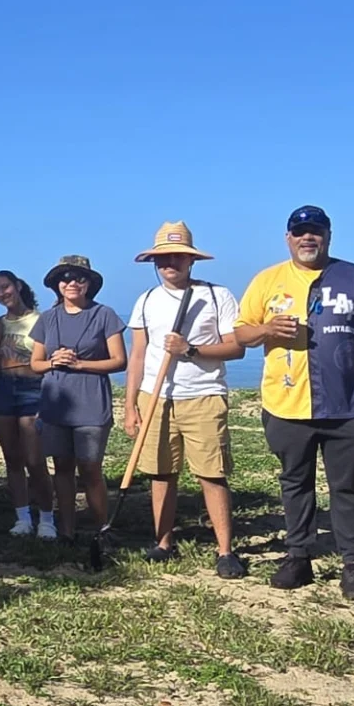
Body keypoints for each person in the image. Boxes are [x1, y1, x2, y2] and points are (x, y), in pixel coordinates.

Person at [233, 205, 354, 601]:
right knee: (295, 483)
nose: (307, 238)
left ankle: (353, 565)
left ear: (328, 235)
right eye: (300, 232)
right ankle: (298, 557)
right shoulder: (268, 280)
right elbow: (241, 334)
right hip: (286, 404)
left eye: (315, 231)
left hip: (345, 405)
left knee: (345, 486)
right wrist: (266, 329)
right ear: (288, 238)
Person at [123, 222, 247, 576]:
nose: (169, 263)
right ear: (153, 262)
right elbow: (137, 357)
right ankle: (163, 542)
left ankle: (225, 551)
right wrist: (130, 404)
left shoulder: (217, 295)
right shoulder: (146, 300)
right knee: (161, 474)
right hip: (155, 397)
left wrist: (190, 350)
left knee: (212, 473)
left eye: (177, 256)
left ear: (191, 260)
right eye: (162, 257)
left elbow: (235, 348)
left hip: (203, 396)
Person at [28, 255, 126, 557]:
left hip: (92, 404)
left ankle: (102, 529)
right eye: (65, 277)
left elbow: (119, 360)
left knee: (91, 469)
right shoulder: (47, 318)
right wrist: (52, 362)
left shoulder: (104, 315)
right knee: (62, 469)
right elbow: (35, 363)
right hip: (56, 405)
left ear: (89, 284)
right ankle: (67, 530)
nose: (71, 282)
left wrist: (81, 363)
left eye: (78, 277)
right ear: (57, 285)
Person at [0, 271, 51, 538]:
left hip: (33, 389)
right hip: (3, 388)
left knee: (35, 459)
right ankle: (22, 517)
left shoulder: (41, 320)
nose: (3, 294)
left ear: (18, 286)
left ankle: (47, 519)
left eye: (6, 287)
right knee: (12, 458)